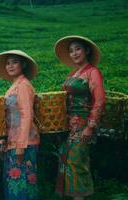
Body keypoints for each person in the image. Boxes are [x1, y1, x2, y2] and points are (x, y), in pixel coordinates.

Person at [54, 36, 106, 199]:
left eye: (77, 49)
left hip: (83, 125)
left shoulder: (93, 72)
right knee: (67, 162)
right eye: (71, 51)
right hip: (69, 126)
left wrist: (90, 127)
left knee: (77, 163)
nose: (74, 53)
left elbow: (99, 100)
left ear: (87, 50)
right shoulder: (73, 74)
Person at [0, 50, 40, 200]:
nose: (10, 66)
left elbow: (27, 115)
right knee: (14, 187)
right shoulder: (13, 86)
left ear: (23, 64)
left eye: (15, 62)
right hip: (13, 143)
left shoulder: (23, 85)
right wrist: (5, 141)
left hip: (24, 143)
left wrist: (21, 145)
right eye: (8, 63)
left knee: (23, 187)